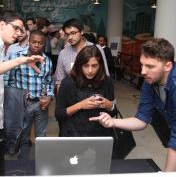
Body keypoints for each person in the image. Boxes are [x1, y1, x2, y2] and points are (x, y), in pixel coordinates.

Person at [90, 38, 176, 171]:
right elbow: (141, 119)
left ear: (168, 66)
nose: (142, 72)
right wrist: (113, 122)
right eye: (142, 65)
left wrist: (167, 174)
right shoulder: (149, 81)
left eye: (150, 66)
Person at [0, 10, 44, 138]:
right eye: (16, 28)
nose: (18, 34)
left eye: (21, 31)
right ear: (2, 25)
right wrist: (19, 60)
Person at [4, 29, 54, 158]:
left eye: (40, 43)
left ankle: (43, 162)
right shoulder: (17, 57)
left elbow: (49, 82)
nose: (37, 45)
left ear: (45, 43)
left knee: (41, 135)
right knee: (23, 135)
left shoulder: (47, 61)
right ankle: (23, 164)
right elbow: (7, 80)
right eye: (34, 42)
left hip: (40, 104)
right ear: (29, 41)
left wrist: (49, 96)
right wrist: (13, 101)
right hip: (22, 104)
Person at [55, 45, 115, 136]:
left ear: (100, 65)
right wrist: (80, 105)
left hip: (100, 135)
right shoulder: (68, 82)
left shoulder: (107, 82)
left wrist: (110, 105)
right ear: (79, 65)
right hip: (73, 135)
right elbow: (59, 114)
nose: (90, 70)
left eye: (94, 66)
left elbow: (113, 112)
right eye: (86, 66)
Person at [55, 18, 109, 92]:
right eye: (67, 34)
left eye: (73, 33)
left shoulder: (96, 48)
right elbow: (59, 82)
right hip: (72, 98)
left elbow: (105, 75)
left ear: (82, 31)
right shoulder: (63, 53)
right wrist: (61, 101)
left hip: (94, 95)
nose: (70, 37)